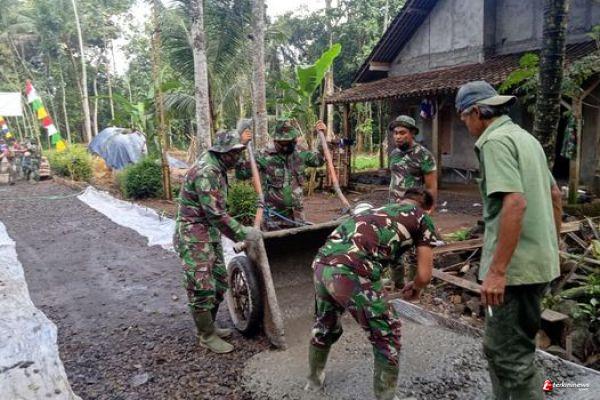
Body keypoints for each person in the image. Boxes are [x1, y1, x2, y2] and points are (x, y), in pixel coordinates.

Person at [456, 80, 562, 399]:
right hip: (537, 263)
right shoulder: (526, 139)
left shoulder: (495, 142)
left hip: (514, 272)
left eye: (464, 118)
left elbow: (514, 203)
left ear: (477, 112)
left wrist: (498, 271)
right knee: (518, 349)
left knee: (506, 356)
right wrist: (551, 248)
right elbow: (555, 196)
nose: (465, 125)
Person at [306, 188, 438, 400]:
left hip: (322, 264)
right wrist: (416, 287)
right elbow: (424, 275)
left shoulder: (378, 210)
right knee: (387, 333)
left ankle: (313, 381)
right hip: (351, 271)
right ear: (429, 209)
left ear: (400, 200)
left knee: (325, 324)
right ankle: (385, 397)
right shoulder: (422, 217)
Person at [174, 130, 262, 354]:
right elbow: (215, 214)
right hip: (193, 234)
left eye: (239, 152)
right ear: (222, 153)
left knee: (220, 281)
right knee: (201, 286)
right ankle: (205, 335)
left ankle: (210, 326)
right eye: (234, 153)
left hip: (208, 231)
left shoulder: (219, 167)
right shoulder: (207, 171)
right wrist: (243, 233)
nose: (237, 158)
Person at [236, 118, 325, 230]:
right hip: (273, 219)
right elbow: (241, 173)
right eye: (283, 142)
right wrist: (241, 146)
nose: (287, 145)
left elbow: (318, 160)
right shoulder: (263, 156)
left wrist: (322, 136)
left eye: (290, 141)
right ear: (275, 140)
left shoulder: (300, 153)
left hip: (297, 218)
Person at [388, 115, 437, 204]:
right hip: (393, 206)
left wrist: (429, 209)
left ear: (412, 133)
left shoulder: (424, 156)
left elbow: (431, 188)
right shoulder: (394, 154)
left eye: (402, 133)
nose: (398, 136)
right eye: (395, 133)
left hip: (413, 207)